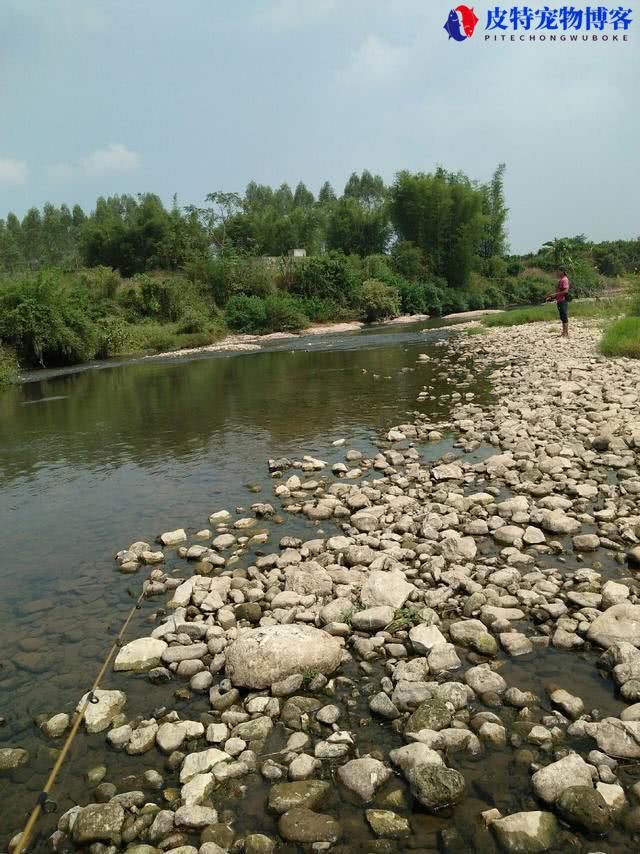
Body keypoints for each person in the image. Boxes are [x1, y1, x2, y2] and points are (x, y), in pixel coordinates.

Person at [547, 268, 570, 337]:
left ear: (562, 272)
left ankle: (565, 333)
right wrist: (552, 297)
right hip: (560, 300)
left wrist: (555, 294)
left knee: (564, 316)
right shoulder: (561, 280)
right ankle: (564, 332)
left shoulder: (564, 280)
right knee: (562, 317)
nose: (557, 272)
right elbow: (559, 291)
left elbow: (566, 291)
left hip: (563, 300)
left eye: (558, 271)